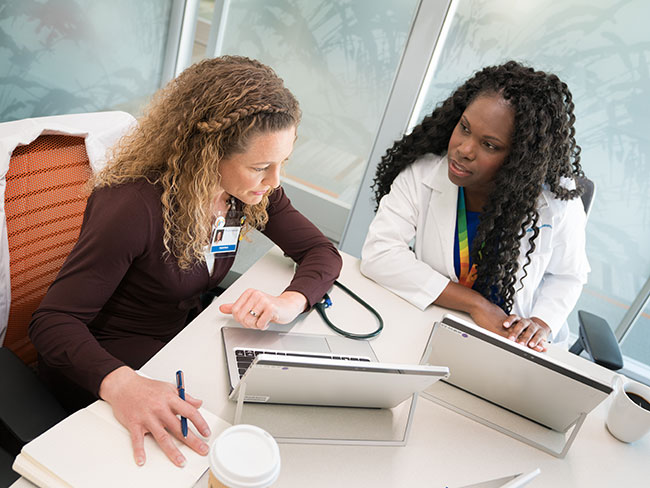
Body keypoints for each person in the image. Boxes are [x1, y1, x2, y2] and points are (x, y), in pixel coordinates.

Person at [29, 56, 342, 467]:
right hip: (110, 365)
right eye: (262, 167)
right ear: (209, 153)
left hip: (179, 347)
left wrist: (290, 301)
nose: (275, 181)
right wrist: (122, 384)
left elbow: (322, 252)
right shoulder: (133, 206)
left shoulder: (245, 192)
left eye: (282, 163)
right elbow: (52, 323)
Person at [360, 60, 589, 352]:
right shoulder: (424, 173)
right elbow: (380, 253)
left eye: (490, 145)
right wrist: (477, 305)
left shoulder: (557, 203)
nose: (464, 150)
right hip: (431, 325)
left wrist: (540, 323)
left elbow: (568, 275)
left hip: (515, 346)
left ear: (520, 158)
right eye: (465, 128)